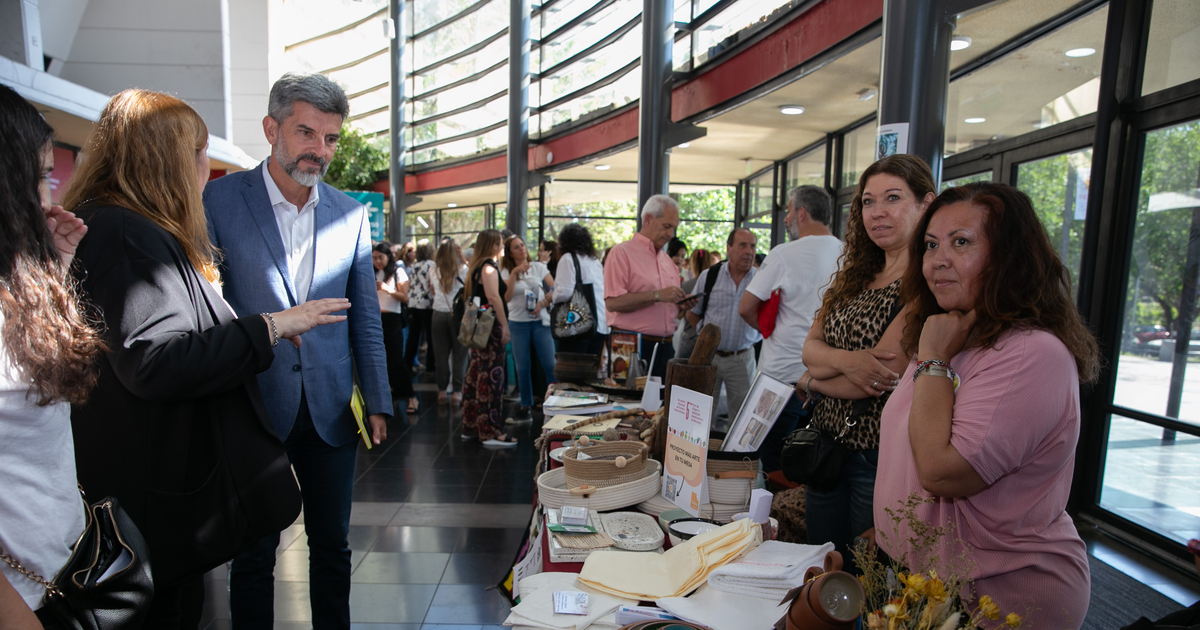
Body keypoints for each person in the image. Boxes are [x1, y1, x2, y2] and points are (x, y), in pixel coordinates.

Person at [66, 89, 347, 627]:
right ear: (167, 161)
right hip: (149, 496)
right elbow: (156, 360)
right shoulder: (129, 234)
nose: (207, 167)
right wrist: (269, 326)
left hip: (146, 489)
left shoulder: (117, 228)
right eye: (199, 153)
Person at [203, 72, 392, 629]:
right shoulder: (220, 199)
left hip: (332, 409)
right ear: (271, 129)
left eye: (331, 139)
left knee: (332, 546)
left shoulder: (349, 213)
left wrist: (377, 399)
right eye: (307, 133)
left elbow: (366, 318)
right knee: (254, 553)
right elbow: (208, 306)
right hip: (255, 405)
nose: (320, 150)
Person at [875, 182, 1100, 627]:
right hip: (925, 583)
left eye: (962, 243)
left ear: (1008, 258)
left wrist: (934, 359)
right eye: (931, 245)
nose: (939, 260)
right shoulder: (948, 336)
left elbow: (942, 472)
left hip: (1004, 593)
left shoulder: (1033, 354)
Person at [796, 156, 935, 572]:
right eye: (869, 202)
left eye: (893, 198)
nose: (878, 212)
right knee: (822, 565)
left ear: (925, 203)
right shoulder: (856, 273)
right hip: (824, 443)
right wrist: (846, 360)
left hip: (875, 455)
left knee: (866, 577)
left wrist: (815, 381)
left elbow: (875, 379)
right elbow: (809, 348)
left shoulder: (925, 281)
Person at [0, 84, 101, 629]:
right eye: (39, 173)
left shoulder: (18, 286)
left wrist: (55, 272)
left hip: (55, 576)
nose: (50, 192)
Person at [738, 185, 842, 472]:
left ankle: (767, 517)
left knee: (767, 462)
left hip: (778, 379)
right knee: (815, 466)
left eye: (787, 211)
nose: (785, 219)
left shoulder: (784, 254)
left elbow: (746, 306)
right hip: (827, 380)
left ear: (801, 213)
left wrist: (767, 331)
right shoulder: (850, 255)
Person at [604, 194, 697, 378]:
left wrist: (681, 305)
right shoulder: (621, 253)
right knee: (629, 405)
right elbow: (613, 303)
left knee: (663, 405)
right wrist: (656, 295)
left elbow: (666, 306)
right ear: (648, 219)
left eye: (674, 228)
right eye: (667, 226)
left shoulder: (667, 261)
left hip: (666, 346)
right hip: (629, 345)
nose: (671, 234)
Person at [686, 228, 761, 421]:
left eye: (752, 246)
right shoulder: (710, 276)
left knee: (742, 418)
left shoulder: (761, 279)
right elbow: (692, 313)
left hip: (742, 358)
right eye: (742, 245)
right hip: (710, 357)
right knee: (701, 416)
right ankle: (701, 452)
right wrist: (703, 335)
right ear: (728, 248)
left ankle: (734, 453)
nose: (749, 251)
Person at [462, 229, 519, 447]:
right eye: (501, 243)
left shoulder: (476, 266)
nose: (503, 247)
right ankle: (491, 430)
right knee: (491, 377)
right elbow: (494, 297)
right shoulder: (488, 268)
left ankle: (472, 425)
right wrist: (505, 326)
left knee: (476, 373)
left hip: (475, 323)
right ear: (495, 245)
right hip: (489, 326)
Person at [501, 234, 557, 421]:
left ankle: (556, 405)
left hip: (540, 322)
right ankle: (525, 406)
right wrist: (514, 274)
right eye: (516, 247)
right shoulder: (505, 271)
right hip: (518, 324)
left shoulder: (539, 267)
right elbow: (507, 298)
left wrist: (543, 303)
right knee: (522, 367)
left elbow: (555, 289)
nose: (521, 249)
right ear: (510, 253)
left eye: (522, 245)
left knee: (550, 364)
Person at [552, 223, 609, 355]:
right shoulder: (594, 261)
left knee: (570, 370)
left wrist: (552, 296)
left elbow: (565, 292)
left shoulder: (568, 259)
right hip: (600, 324)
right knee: (588, 371)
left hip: (579, 326)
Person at [374, 242, 416, 413]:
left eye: (380, 257)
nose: (377, 261)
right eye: (374, 258)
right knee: (380, 360)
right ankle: (391, 391)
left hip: (393, 319)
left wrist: (386, 289)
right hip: (376, 318)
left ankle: (411, 397)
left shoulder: (398, 272)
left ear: (388, 257)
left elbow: (405, 297)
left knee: (396, 359)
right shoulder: (371, 272)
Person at [430, 239, 467, 405]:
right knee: (460, 354)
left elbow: (432, 290)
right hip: (458, 316)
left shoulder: (433, 270)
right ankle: (457, 393)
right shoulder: (463, 270)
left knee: (441, 355)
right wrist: (463, 258)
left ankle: (442, 392)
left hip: (438, 314)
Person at [406, 242, 436, 384]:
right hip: (426, 304)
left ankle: (408, 364)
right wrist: (433, 300)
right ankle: (430, 366)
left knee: (413, 335)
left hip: (413, 302)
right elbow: (428, 284)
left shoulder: (415, 265)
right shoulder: (431, 265)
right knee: (430, 336)